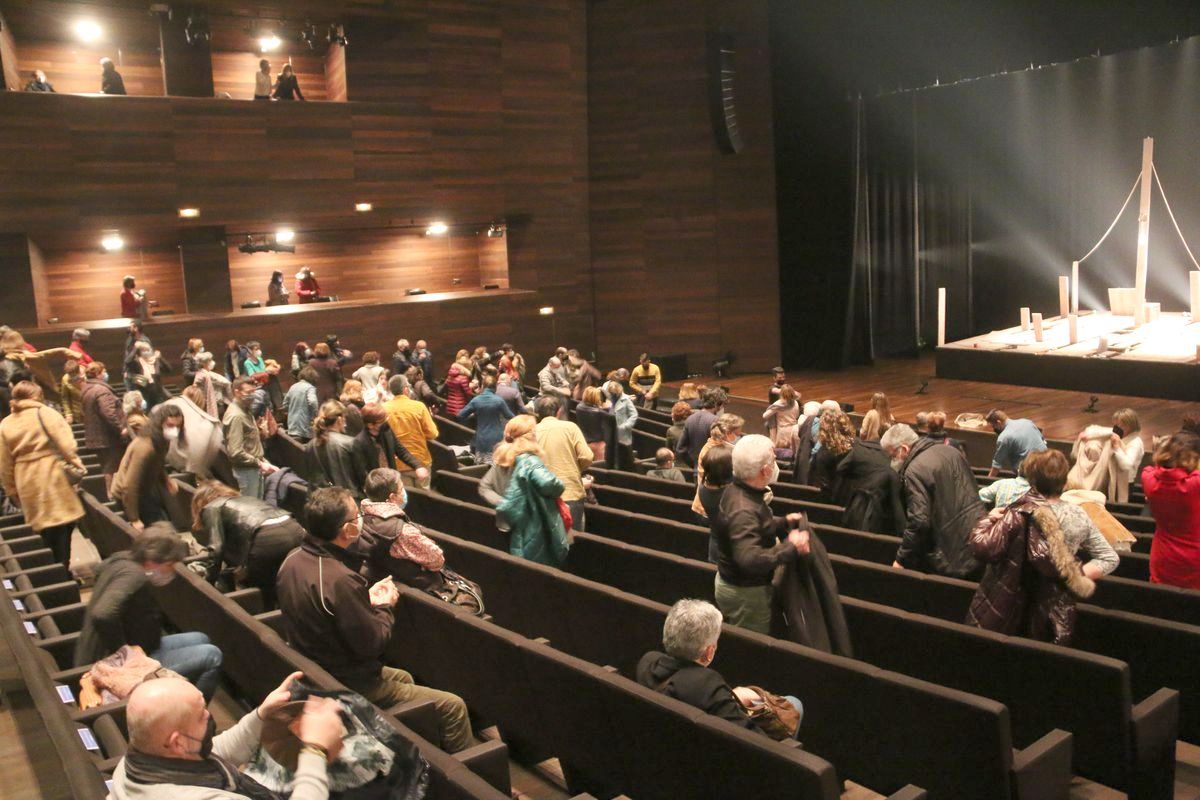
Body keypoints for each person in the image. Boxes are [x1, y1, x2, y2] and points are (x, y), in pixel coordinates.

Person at [276, 487, 474, 752]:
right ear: (347, 530)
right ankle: (470, 777)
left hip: (319, 666)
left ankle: (419, 746)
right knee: (454, 706)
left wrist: (360, 602)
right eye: (357, 515)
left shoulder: (291, 560)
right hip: (348, 681)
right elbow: (373, 644)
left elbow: (325, 612)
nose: (361, 520)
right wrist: (383, 606)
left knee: (404, 677)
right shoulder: (340, 579)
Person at [111, 672, 344, 800]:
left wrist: (261, 714)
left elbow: (217, 752)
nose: (209, 715)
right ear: (178, 742)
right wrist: (316, 750)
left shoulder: (134, 763)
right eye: (202, 714)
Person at [967, 450, 1117, 645]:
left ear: (1032, 480)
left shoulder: (1018, 511)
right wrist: (1073, 575)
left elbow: (982, 548)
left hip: (1013, 597)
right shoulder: (1077, 514)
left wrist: (988, 520)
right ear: (1064, 481)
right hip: (1053, 602)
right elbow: (1109, 558)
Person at [74, 527, 224, 698]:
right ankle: (192, 714)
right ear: (152, 560)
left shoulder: (121, 560)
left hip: (139, 646)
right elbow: (102, 614)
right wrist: (126, 654)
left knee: (200, 638)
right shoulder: (134, 575)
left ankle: (172, 698)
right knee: (213, 656)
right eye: (169, 565)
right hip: (109, 664)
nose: (172, 571)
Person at [638, 599, 804, 736]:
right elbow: (755, 738)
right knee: (795, 704)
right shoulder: (707, 684)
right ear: (709, 652)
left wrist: (730, 696)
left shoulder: (648, 661)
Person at [710, 435, 810, 634]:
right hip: (746, 594)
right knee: (749, 645)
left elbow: (749, 527)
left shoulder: (737, 489)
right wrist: (791, 546)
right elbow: (749, 559)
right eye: (773, 461)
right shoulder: (743, 509)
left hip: (734, 585)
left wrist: (782, 522)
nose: (774, 465)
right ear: (765, 471)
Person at [0, 381, 86, 569]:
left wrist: (12, 490)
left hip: (25, 478)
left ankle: (54, 569)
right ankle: (63, 569)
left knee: (45, 530)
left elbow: (4, 464)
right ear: (36, 395)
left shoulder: (5, 423)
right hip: (51, 474)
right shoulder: (46, 413)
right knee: (63, 525)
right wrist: (77, 466)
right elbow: (68, 446)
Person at [881, 424, 984, 579]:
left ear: (903, 449)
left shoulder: (913, 470)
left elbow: (919, 521)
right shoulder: (951, 451)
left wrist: (901, 559)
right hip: (977, 536)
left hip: (949, 551)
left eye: (891, 456)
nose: (891, 461)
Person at [191, 480, 304, 605]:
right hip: (296, 529)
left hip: (268, 538)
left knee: (262, 592)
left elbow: (216, 548)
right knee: (293, 582)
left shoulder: (212, 507)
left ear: (200, 502)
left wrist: (208, 583)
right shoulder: (246, 499)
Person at [494, 416, 571, 567]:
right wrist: (560, 483)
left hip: (523, 528)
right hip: (536, 528)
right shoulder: (529, 461)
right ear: (532, 436)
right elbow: (551, 484)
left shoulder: (508, 458)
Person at [355, 468, 447, 589]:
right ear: (392, 497)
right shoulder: (404, 531)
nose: (404, 492)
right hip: (418, 585)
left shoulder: (359, 519)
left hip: (386, 578)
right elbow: (437, 561)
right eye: (402, 488)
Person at [1142, 432, 1200, 589]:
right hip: (1195, 557)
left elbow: (1152, 468)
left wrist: (1162, 452)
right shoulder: (1195, 484)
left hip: (1163, 556)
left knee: (1165, 603)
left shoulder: (1149, 480)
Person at [112, 404, 184, 531]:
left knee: (164, 524)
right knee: (163, 529)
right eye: (171, 425)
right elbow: (129, 485)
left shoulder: (161, 440)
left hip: (144, 490)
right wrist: (134, 519)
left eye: (178, 426)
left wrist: (165, 479)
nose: (175, 430)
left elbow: (157, 463)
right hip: (128, 496)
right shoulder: (145, 447)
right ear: (159, 423)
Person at [533, 395, 593, 531]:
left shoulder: (532, 432)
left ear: (538, 413)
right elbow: (587, 457)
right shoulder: (571, 427)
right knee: (572, 541)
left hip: (542, 496)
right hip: (570, 492)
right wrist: (575, 469)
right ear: (559, 411)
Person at [1070, 408, 1145, 504]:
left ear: (1129, 425)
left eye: (1120, 425)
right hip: (1110, 481)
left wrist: (1117, 448)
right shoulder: (1119, 432)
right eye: (1116, 424)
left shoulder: (1136, 443)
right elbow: (1098, 430)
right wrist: (1087, 435)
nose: (1116, 428)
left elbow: (1126, 465)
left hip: (1124, 486)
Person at [352, 404, 427, 490]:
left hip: (393, 481)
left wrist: (418, 466)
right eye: (382, 421)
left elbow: (401, 451)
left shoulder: (387, 431)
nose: (386, 422)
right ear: (370, 425)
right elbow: (362, 473)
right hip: (377, 488)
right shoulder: (359, 442)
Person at [383, 375, 438, 489]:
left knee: (406, 501)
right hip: (420, 460)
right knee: (425, 500)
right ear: (405, 389)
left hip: (397, 462)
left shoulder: (383, 408)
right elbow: (433, 433)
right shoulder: (419, 406)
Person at [224, 377, 275, 498]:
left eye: (254, 392)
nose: (252, 396)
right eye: (248, 393)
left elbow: (248, 441)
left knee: (258, 506)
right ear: (237, 392)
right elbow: (235, 452)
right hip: (247, 472)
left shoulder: (246, 410)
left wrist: (261, 432)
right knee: (251, 510)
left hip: (254, 469)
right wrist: (259, 463)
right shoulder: (236, 415)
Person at [81, 362, 125, 493]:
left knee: (108, 468)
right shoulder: (102, 390)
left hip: (97, 437)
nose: (106, 374)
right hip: (107, 437)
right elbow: (109, 413)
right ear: (98, 374)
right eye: (103, 371)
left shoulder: (87, 389)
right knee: (112, 469)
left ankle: (112, 493)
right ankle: (113, 494)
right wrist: (120, 428)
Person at [691, 414, 744, 522]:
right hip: (709, 510)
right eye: (738, 434)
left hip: (707, 506)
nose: (739, 437)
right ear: (728, 433)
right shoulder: (718, 454)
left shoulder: (713, 446)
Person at [163, 385, 223, 479]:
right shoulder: (205, 425)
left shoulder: (171, 409)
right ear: (201, 401)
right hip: (190, 471)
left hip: (170, 466)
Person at [306, 401, 361, 498]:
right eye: (345, 418)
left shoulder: (310, 445)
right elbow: (360, 477)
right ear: (340, 419)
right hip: (346, 500)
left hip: (320, 501)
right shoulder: (349, 443)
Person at [458, 376, 514, 464]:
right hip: (497, 438)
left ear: (483, 386)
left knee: (481, 468)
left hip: (481, 439)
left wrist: (474, 414)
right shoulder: (499, 401)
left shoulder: (476, 400)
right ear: (495, 388)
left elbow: (460, 415)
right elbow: (510, 416)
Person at [986, 409, 1047, 477]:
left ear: (999, 422)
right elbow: (1042, 440)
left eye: (993, 426)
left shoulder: (1004, 437)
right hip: (1047, 463)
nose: (994, 429)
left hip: (1029, 473)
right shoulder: (1027, 422)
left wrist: (988, 481)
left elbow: (997, 465)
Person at [676, 387, 726, 468]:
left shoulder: (690, 419)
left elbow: (680, 449)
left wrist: (694, 465)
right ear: (717, 404)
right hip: (713, 471)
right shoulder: (716, 421)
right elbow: (721, 448)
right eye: (722, 404)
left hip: (696, 470)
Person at [810, 410, 855, 499]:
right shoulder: (856, 447)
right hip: (853, 502)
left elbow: (822, 486)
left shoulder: (822, 453)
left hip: (831, 504)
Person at [575, 385, 614, 465]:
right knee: (599, 467)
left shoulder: (579, 407)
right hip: (598, 444)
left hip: (585, 442)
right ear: (595, 398)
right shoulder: (599, 412)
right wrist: (610, 407)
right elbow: (614, 418)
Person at [605, 380, 638, 470]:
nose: (612, 395)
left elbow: (634, 415)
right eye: (611, 393)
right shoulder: (610, 399)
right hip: (612, 434)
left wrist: (625, 426)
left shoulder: (626, 400)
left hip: (623, 434)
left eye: (614, 393)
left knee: (625, 458)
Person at [126, 340, 169, 408]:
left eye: (147, 350)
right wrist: (135, 348)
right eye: (143, 350)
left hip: (158, 394)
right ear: (140, 352)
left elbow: (168, 369)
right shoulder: (137, 362)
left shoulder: (155, 361)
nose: (146, 352)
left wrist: (160, 358)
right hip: (144, 394)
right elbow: (127, 362)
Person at [285, 366, 320, 442]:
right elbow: (313, 401)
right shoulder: (310, 388)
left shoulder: (293, 387)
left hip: (292, 426)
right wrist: (316, 415)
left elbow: (285, 404)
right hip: (305, 427)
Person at [762, 384, 800, 453]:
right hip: (793, 431)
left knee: (781, 453)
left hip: (783, 433)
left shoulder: (779, 404)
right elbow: (797, 415)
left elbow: (765, 416)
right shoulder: (796, 403)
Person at [193, 351, 231, 418]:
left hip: (214, 401)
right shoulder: (206, 375)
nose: (212, 362)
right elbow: (226, 383)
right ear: (204, 363)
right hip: (213, 402)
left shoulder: (202, 373)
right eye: (210, 361)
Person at [60, 359, 85, 424]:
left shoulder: (88, 374)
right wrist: (68, 414)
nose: (71, 377)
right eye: (69, 375)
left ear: (78, 371)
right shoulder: (65, 379)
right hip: (77, 414)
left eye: (73, 375)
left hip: (92, 413)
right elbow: (65, 399)